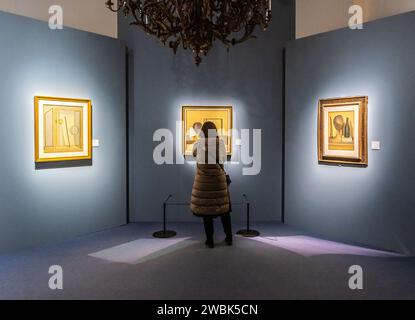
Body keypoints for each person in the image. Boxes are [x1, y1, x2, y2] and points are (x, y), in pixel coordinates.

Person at [190, 121, 232, 249]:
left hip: (203, 182)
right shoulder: (220, 143)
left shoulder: (198, 144)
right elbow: (223, 160)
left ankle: (210, 241)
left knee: (206, 212)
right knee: (224, 211)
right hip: (218, 181)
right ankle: (229, 238)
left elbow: (193, 153)